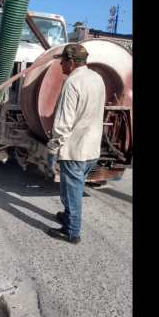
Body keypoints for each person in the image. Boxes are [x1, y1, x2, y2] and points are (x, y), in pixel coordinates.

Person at [44, 44, 106, 245]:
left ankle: (71, 232)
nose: (60, 64)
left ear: (71, 62)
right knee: (75, 187)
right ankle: (70, 216)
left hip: (75, 149)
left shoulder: (72, 83)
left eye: (62, 60)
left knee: (71, 192)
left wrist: (53, 148)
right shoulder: (97, 78)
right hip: (92, 147)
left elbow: (63, 122)